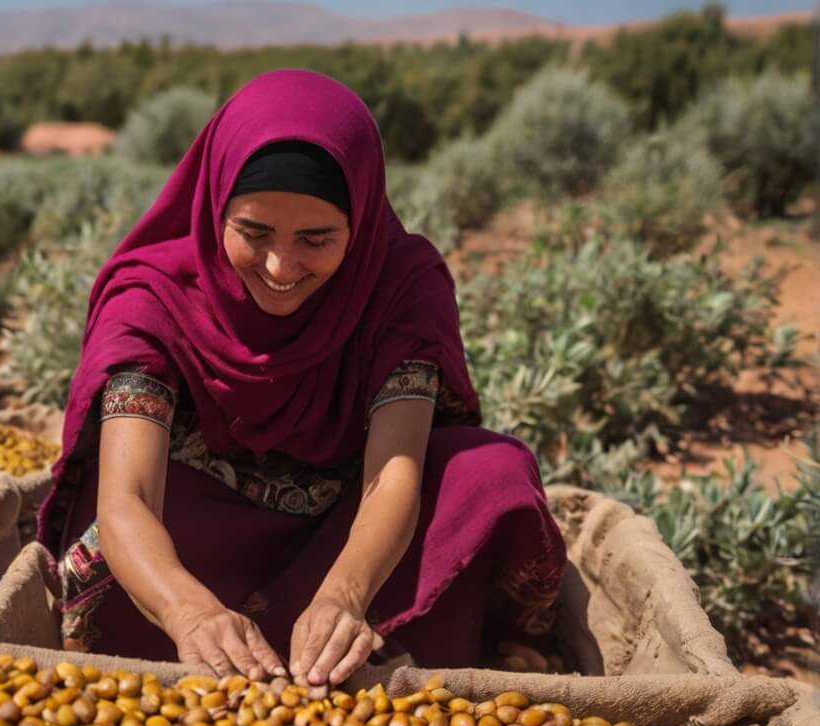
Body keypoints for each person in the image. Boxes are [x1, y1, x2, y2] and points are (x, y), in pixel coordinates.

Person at [36, 69, 568, 690]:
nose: (280, 267)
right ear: (215, 208)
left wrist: (344, 595)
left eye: (317, 240)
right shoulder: (152, 297)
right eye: (253, 233)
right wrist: (191, 612)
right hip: (207, 551)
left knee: (490, 472)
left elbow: (394, 475)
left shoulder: (399, 286)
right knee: (115, 543)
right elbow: (128, 496)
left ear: (360, 222)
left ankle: (398, 636)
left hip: (352, 537)